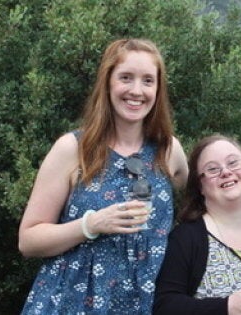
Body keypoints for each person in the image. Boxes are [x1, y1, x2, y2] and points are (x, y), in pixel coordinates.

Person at [18, 38, 189, 314]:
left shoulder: (168, 151)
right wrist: (92, 224)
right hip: (69, 304)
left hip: (142, 305)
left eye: (148, 80)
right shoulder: (73, 149)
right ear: (107, 82)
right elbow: (28, 241)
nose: (136, 90)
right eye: (125, 78)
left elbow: (206, 200)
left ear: (158, 89)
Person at [154, 134, 241, 315]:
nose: (226, 172)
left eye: (233, 163)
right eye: (212, 169)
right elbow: (164, 305)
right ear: (200, 186)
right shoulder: (186, 239)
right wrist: (226, 307)